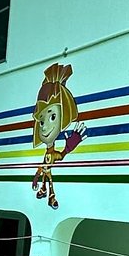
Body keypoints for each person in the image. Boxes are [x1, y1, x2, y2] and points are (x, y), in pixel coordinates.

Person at [32, 63, 86, 209]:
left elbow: (58, 157)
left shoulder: (51, 153)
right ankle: (46, 192)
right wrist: (37, 176)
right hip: (46, 170)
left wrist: (68, 148)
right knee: (48, 179)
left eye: (53, 117)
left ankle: (50, 195)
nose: (44, 127)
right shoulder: (48, 153)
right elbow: (46, 162)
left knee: (49, 181)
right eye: (41, 121)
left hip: (47, 170)